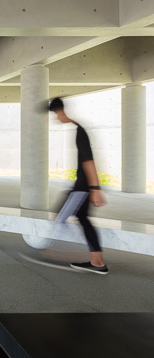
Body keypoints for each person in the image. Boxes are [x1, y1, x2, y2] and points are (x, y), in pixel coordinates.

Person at [48, 97, 109, 274]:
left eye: (55, 114)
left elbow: (88, 161)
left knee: (60, 217)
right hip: (82, 187)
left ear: (60, 112)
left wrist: (95, 189)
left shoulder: (80, 132)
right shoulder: (79, 130)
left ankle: (53, 250)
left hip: (82, 187)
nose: (56, 118)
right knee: (83, 219)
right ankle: (97, 262)